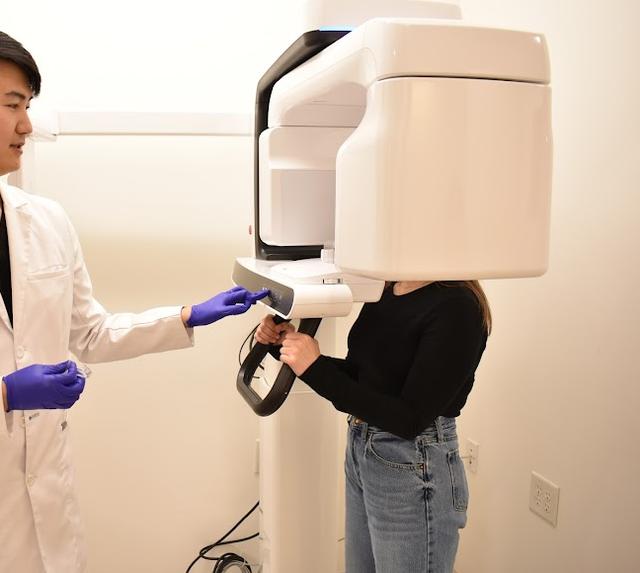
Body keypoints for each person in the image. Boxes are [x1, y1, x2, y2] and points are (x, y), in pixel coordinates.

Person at [0, 31, 268, 573]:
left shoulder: (46, 220)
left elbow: (91, 334)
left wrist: (190, 315)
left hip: (45, 500)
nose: (26, 125)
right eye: (12, 106)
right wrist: (4, 393)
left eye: (27, 107)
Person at [256, 279, 491, 573]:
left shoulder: (458, 306)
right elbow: (363, 377)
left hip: (414, 462)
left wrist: (314, 368)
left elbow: (409, 418)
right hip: (363, 449)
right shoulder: (390, 287)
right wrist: (286, 348)